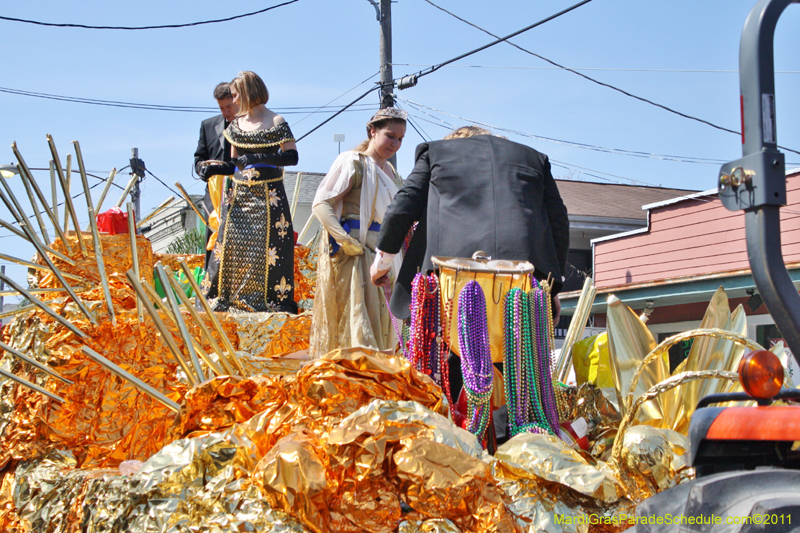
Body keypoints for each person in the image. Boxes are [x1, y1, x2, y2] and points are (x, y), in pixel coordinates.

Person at [370, 125, 570, 402]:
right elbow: (558, 221)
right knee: (519, 375)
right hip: (521, 280)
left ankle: (452, 431)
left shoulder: (437, 152)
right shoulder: (534, 158)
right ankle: (512, 436)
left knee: (444, 368)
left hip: (453, 277)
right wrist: (552, 287)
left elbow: (403, 206)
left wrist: (381, 262)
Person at [309, 107, 407, 358]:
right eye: (390, 136)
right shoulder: (354, 162)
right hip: (355, 256)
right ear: (372, 132)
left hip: (384, 257)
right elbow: (321, 203)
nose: (395, 144)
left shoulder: (393, 174)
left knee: (383, 327)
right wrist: (345, 241)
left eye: (400, 139)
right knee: (359, 328)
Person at [200, 71, 299, 314]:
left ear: (247, 93)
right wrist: (212, 169)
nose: (233, 101)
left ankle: (268, 300)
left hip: (268, 195)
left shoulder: (276, 120)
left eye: (235, 95)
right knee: (233, 245)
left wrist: (259, 157)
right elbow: (235, 164)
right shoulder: (235, 126)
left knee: (268, 249)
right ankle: (227, 297)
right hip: (240, 195)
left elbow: (292, 156)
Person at [193, 82, 239, 270]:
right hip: (213, 195)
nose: (226, 111)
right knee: (213, 237)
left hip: (239, 190)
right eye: (221, 108)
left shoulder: (248, 125)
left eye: (229, 106)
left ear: (237, 101)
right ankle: (210, 285)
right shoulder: (208, 125)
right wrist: (201, 169)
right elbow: (198, 158)